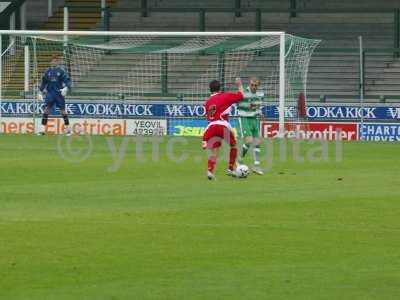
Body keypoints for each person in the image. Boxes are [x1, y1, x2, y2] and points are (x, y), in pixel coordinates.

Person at [202, 78, 244, 180]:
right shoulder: (224, 96)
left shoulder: (207, 102)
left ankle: (210, 171)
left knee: (214, 151)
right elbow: (241, 96)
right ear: (219, 88)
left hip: (211, 127)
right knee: (233, 146)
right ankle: (230, 169)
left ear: (210, 89)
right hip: (222, 125)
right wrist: (239, 85)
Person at [37, 54, 72, 135]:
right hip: (50, 94)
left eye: (56, 60)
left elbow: (68, 81)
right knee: (46, 110)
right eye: (53, 60)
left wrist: (66, 88)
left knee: (63, 111)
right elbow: (43, 83)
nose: (54, 62)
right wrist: (40, 92)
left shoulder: (61, 71)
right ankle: (42, 130)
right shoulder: (47, 72)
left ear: (58, 62)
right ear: (51, 62)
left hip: (59, 94)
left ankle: (68, 129)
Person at [237, 77, 265, 175]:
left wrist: (260, 112)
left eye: (255, 85)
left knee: (257, 142)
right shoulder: (243, 93)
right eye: (252, 85)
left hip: (254, 119)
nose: (253, 87)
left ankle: (256, 166)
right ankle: (239, 160)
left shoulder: (260, 95)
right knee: (249, 141)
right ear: (249, 84)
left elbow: (258, 106)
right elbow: (238, 103)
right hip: (244, 118)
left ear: (258, 86)